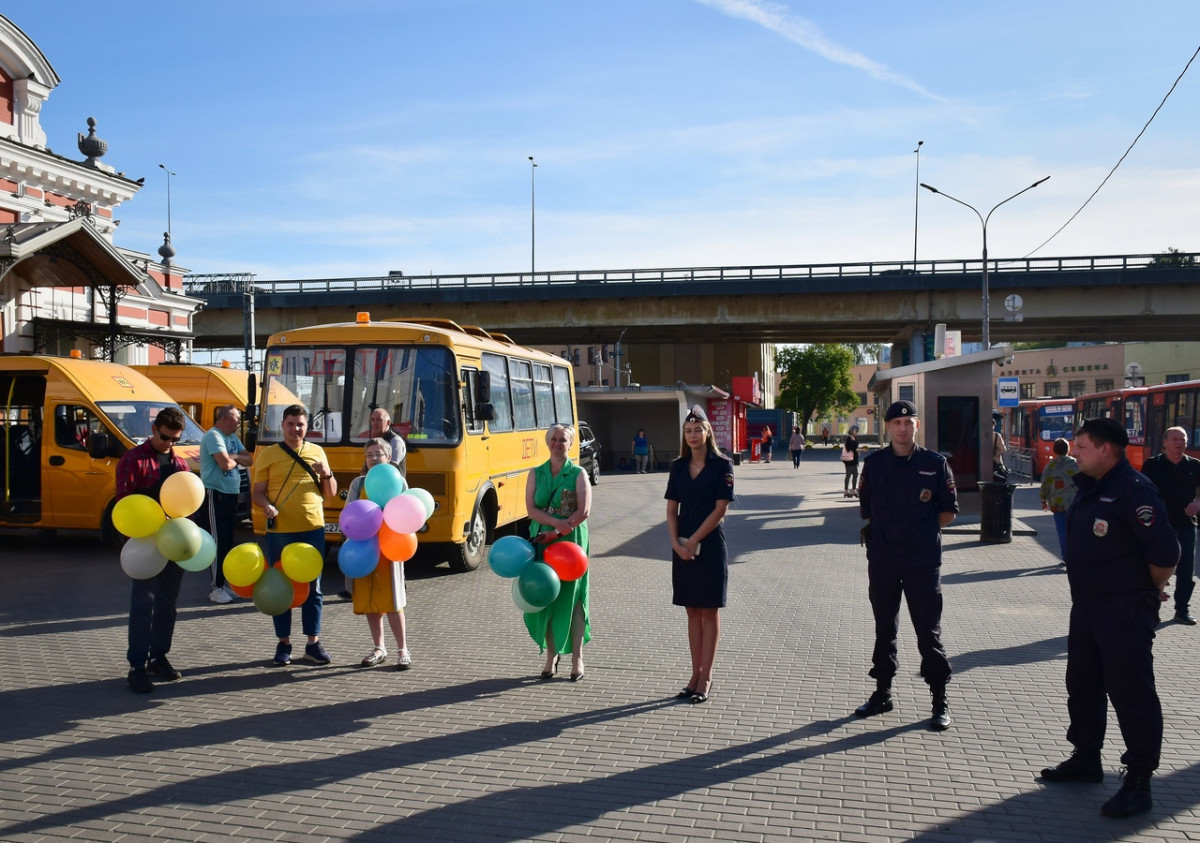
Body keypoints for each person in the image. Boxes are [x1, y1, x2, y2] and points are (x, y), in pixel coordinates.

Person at [1039, 417, 1179, 819]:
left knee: (1131, 693)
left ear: (1105, 450)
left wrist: (1146, 590)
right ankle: (1086, 758)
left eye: (1081, 446)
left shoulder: (1135, 491)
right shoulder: (1091, 485)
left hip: (1124, 611)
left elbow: (1166, 555)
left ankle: (1138, 780)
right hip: (1087, 607)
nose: (1074, 451)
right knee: (1082, 684)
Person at [855, 400, 958, 730]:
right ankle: (882, 693)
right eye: (896, 422)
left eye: (908, 422)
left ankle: (939, 700)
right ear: (887, 427)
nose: (902, 427)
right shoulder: (873, 465)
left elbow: (948, 511)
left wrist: (919, 533)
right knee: (884, 628)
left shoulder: (935, 463)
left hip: (922, 560)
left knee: (928, 632)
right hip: (884, 559)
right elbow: (867, 508)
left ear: (917, 426)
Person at [251, 403, 337, 667]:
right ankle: (284, 643)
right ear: (282, 426)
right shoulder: (268, 454)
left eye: (300, 424)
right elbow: (257, 493)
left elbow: (331, 493)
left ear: (307, 427)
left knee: (314, 588)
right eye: (290, 424)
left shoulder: (317, 452)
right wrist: (266, 506)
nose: (295, 429)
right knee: (281, 587)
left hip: (312, 528)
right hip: (280, 531)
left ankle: (313, 644)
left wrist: (327, 474)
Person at [118, 407, 191, 694]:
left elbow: (187, 506)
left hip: (173, 542)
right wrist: (133, 540)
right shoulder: (133, 459)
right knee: (142, 605)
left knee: (167, 603)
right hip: (146, 545)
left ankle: (158, 657)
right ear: (154, 429)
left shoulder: (181, 465)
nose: (169, 443)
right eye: (165, 437)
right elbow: (125, 505)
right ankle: (137, 665)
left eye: (175, 439)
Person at [665, 406, 734, 705]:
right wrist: (676, 544)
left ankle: (706, 676)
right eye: (688, 431)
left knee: (709, 611)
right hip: (682, 547)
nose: (692, 435)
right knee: (691, 610)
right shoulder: (677, 466)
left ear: (708, 432)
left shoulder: (723, 466)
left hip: (708, 545)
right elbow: (671, 509)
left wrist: (692, 540)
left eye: (698, 430)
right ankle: (694, 674)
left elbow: (720, 509)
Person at [525, 424, 592, 681]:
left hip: (571, 543)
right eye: (553, 438)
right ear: (547, 442)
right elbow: (531, 509)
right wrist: (553, 527)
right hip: (542, 540)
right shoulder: (536, 473)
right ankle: (551, 656)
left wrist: (558, 531)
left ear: (570, 444)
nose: (557, 443)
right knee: (546, 597)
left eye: (562, 439)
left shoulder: (578, 474)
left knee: (573, 600)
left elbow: (583, 511)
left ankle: (577, 659)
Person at [348, 438, 412, 670]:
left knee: (394, 601)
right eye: (370, 455)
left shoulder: (397, 480)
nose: (374, 458)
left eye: (378, 454)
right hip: (364, 548)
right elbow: (350, 513)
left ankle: (403, 649)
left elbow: (407, 512)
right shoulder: (359, 483)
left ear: (388, 457)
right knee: (371, 600)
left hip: (390, 547)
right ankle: (379, 648)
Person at [1139, 426, 1200, 624]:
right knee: (1156, 566)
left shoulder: (1195, 465)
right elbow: (1141, 491)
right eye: (1175, 439)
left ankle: (1182, 610)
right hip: (1159, 526)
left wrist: (1197, 502)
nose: (1179, 442)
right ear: (1165, 442)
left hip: (1186, 525)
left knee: (1186, 568)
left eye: (1182, 439)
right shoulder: (1152, 465)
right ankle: (1151, 608)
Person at [197, 405, 253, 604]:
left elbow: (250, 459)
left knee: (228, 541)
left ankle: (224, 583)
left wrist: (235, 457)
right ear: (226, 418)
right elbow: (224, 464)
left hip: (231, 494)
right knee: (217, 542)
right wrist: (235, 459)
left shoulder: (232, 438)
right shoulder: (214, 436)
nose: (240, 422)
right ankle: (215, 588)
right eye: (237, 418)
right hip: (215, 494)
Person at [1039, 437, 1079, 564]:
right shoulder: (1075, 463)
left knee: (1062, 531)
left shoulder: (1050, 466)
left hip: (1058, 504)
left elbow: (1044, 484)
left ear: (1054, 450)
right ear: (1068, 449)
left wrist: (1043, 500)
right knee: (1076, 530)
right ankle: (1077, 555)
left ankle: (1065, 557)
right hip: (1075, 503)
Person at [841, 426, 860, 498]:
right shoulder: (849, 438)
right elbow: (849, 448)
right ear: (852, 430)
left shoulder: (854, 438)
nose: (856, 432)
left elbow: (855, 448)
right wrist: (859, 450)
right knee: (848, 475)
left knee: (855, 474)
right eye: (856, 431)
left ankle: (853, 491)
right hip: (849, 460)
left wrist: (858, 450)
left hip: (854, 460)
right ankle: (846, 491)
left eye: (857, 431)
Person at [992, 412, 1009, 481]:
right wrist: (997, 453)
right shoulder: (996, 436)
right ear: (994, 426)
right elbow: (1003, 449)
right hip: (996, 462)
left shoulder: (979, 435)